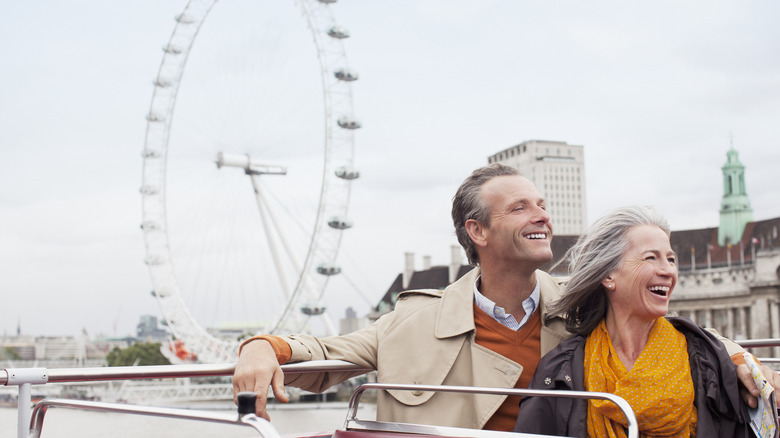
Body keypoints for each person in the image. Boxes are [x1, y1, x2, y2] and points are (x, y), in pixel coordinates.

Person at [233, 165, 771, 431]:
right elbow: (328, 356)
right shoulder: (413, 319)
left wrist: (747, 360)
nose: (542, 215)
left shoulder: (578, 303)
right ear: (478, 232)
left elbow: (672, 332)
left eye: (541, 204)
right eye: (519, 208)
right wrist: (262, 347)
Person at [514, 206, 753, 437]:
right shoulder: (560, 368)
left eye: (671, 260)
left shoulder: (707, 360)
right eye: (651, 258)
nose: (668, 270)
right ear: (609, 275)